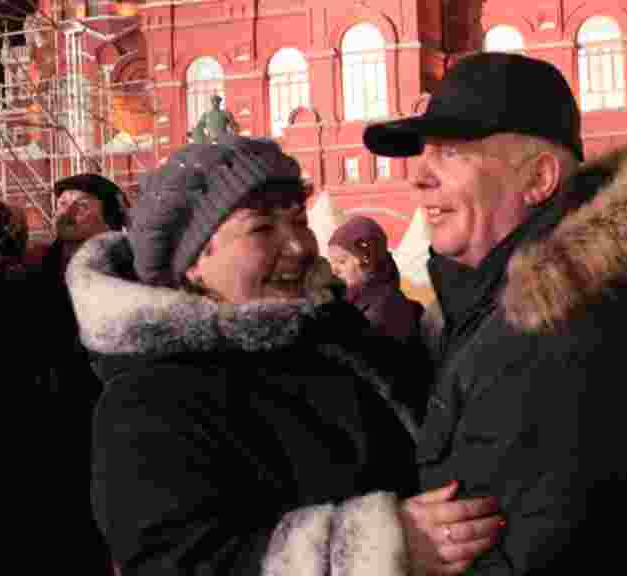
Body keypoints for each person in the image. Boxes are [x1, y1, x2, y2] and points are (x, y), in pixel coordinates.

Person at [65, 135, 501, 575]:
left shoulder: (338, 338)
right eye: (261, 228)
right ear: (192, 262)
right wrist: (373, 551)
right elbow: (176, 563)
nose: (298, 247)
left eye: (299, 220)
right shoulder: (147, 400)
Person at [364, 52, 627, 574]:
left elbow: (514, 557)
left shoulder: (553, 327)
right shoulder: (526, 303)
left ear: (538, 179)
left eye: (449, 153)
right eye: (422, 154)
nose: (418, 176)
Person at [33, 172, 127, 575]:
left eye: (81, 205)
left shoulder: (126, 268)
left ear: (107, 216)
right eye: (61, 204)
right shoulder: (33, 270)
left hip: (111, 413)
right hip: (47, 420)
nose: (66, 212)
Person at [327, 215, 425, 342]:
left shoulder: (387, 306)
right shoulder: (347, 301)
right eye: (331, 263)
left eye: (341, 261)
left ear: (368, 260)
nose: (334, 271)